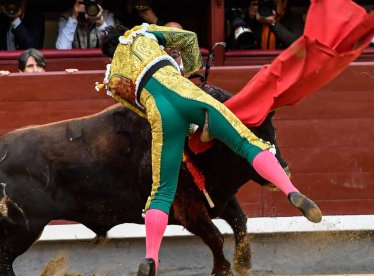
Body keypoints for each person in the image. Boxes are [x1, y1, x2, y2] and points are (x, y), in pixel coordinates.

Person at [98, 23, 322, 275]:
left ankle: (151, 257)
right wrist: (194, 76)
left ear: (108, 54)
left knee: (161, 192)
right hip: (186, 94)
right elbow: (189, 38)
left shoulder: (113, 80)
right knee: (247, 144)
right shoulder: (141, 34)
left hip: (161, 115)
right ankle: (291, 192)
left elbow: (143, 112)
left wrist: (188, 129)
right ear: (123, 34)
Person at [0, 48, 78, 75]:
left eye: (39, 66)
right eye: (30, 66)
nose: (35, 70)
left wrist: (73, 77)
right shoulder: (13, 87)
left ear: (44, 70)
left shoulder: (53, 85)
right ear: (20, 71)